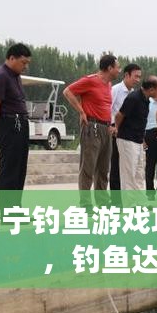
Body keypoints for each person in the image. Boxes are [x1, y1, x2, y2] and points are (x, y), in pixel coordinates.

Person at [63, 54, 121, 207]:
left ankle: (102, 202)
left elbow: (106, 107)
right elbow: (67, 91)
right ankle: (86, 204)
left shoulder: (108, 84)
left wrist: (111, 125)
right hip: (92, 127)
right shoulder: (90, 81)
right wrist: (81, 111)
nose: (119, 70)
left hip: (106, 129)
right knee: (88, 168)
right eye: (118, 67)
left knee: (103, 169)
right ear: (109, 68)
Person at [0, 43, 32, 212]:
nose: (25, 66)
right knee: (10, 168)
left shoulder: (15, 76)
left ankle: (15, 208)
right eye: (23, 62)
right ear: (12, 58)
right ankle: (7, 211)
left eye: (27, 63)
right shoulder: (1, 76)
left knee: (20, 168)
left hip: (21, 123)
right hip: (9, 124)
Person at [115, 76, 157, 196]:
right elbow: (119, 115)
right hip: (127, 139)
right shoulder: (134, 98)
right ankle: (130, 203)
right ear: (151, 89)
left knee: (139, 173)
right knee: (129, 173)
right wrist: (117, 129)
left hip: (138, 140)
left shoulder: (146, 100)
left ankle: (140, 201)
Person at [110, 64, 142, 191]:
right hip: (116, 130)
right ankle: (116, 198)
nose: (138, 80)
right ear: (127, 75)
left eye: (139, 77)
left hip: (129, 133)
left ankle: (127, 195)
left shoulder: (133, 94)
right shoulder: (115, 90)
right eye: (136, 76)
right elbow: (108, 108)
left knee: (128, 166)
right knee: (116, 165)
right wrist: (112, 126)